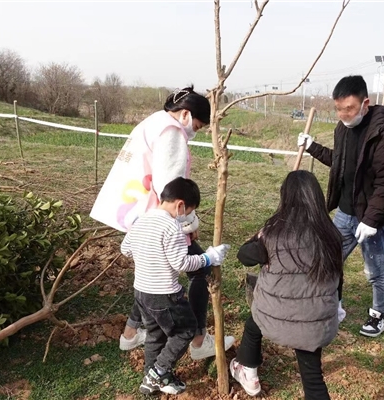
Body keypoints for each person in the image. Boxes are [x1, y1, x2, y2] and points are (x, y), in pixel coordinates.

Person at [90, 86, 235, 358]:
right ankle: (197, 341)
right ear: (185, 114)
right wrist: (188, 220)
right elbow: (170, 185)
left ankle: (131, 334)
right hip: (160, 217)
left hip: (140, 215)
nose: (195, 130)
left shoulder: (154, 121)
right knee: (200, 271)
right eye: (198, 124)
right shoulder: (171, 132)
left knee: (149, 275)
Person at [297, 75, 384, 337]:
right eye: (338, 108)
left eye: (349, 108)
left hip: (371, 218)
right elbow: (341, 163)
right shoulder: (342, 128)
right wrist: (312, 147)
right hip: (345, 214)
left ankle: (377, 316)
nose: (344, 114)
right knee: (330, 261)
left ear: (365, 103)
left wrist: (371, 220)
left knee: (375, 270)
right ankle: (335, 307)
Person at [230, 170, 343, 399]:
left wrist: (257, 237)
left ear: (286, 197)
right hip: (315, 321)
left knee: (254, 324)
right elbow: (338, 276)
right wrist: (337, 304)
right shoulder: (331, 234)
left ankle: (248, 372)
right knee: (312, 375)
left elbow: (244, 256)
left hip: (274, 315)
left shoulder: (273, 234)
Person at [120, 177, 231, 395]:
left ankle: (151, 378)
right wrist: (208, 258)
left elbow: (126, 249)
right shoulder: (172, 227)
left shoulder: (141, 220)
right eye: (190, 211)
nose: (188, 216)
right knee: (186, 330)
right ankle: (158, 372)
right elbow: (182, 263)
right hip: (165, 294)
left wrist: (149, 255)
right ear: (180, 205)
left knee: (154, 335)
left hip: (141, 291)